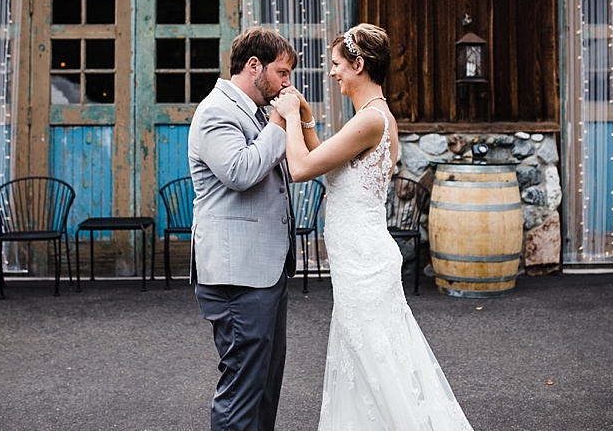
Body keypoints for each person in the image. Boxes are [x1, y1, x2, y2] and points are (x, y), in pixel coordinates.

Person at [271, 23, 473, 431]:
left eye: (336, 65)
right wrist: (307, 120)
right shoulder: (369, 118)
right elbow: (325, 166)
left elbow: (300, 168)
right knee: (365, 366)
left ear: (358, 64)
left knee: (382, 367)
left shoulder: (371, 121)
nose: (332, 73)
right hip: (357, 260)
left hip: (364, 262)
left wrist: (290, 115)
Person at [188, 26, 299, 431]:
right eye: (282, 72)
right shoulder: (216, 110)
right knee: (241, 388)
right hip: (237, 276)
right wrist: (280, 123)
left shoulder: (255, 114)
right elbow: (240, 171)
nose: (287, 83)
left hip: (265, 270)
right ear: (254, 66)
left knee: (266, 384)